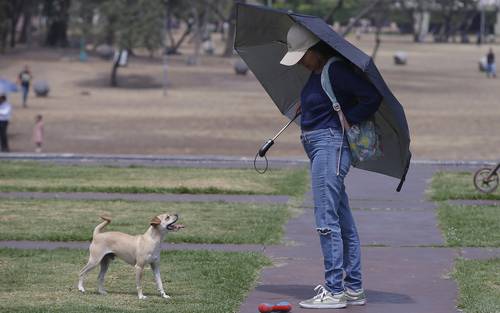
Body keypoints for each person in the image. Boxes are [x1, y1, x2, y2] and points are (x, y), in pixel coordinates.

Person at [280, 24, 382, 309]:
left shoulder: (335, 69)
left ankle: (334, 290)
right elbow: (326, 100)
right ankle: (353, 288)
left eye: (302, 55)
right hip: (320, 146)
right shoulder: (317, 73)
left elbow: (372, 98)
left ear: (314, 49)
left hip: (330, 146)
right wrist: (308, 104)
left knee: (326, 219)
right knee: (341, 219)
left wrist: (347, 117)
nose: (300, 61)